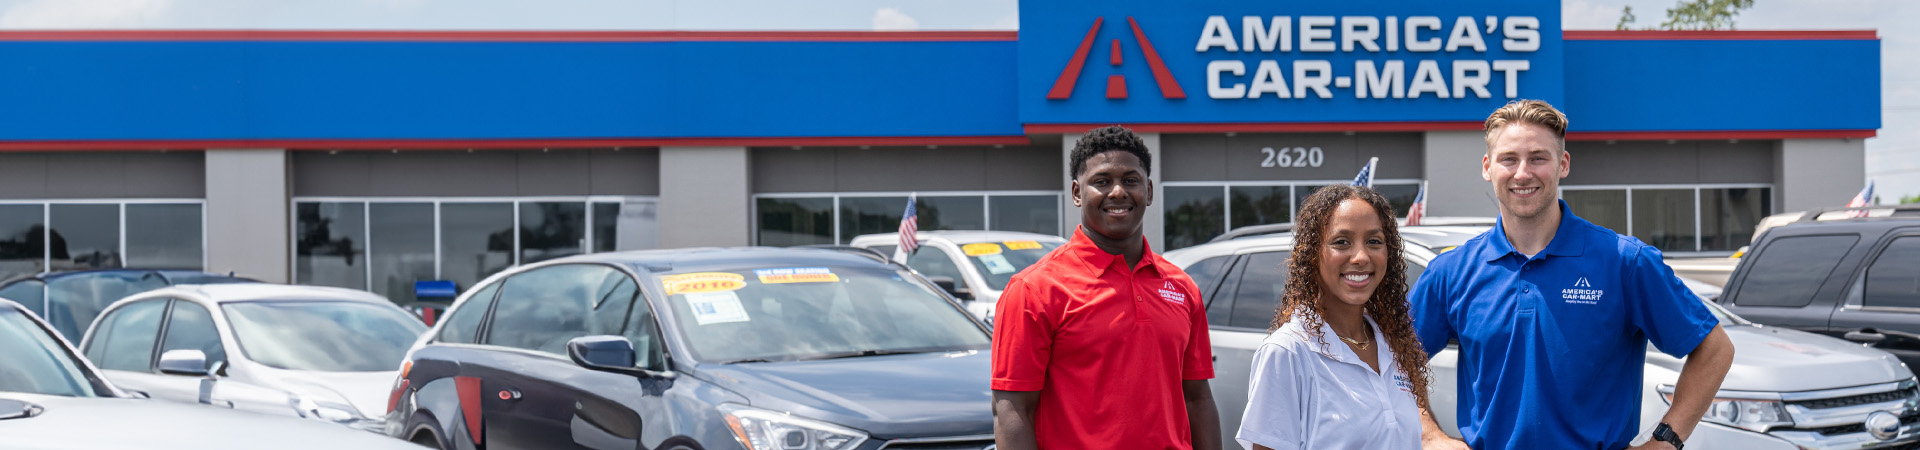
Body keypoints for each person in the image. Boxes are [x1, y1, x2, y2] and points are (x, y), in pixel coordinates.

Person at [1411, 100, 1734, 450]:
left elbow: (1714, 349)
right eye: (1509, 159)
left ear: (1562, 164)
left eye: (1538, 158)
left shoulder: (1624, 262)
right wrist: (1430, 436)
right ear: (1488, 168)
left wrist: (1666, 441)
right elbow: (1394, 362)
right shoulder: (1452, 271)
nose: (1522, 173)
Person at [991, 125, 1222, 450]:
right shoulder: (1034, 289)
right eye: (1102, 181)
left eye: (1131, 180)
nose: (1117, 192)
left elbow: (1198, 400)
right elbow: (1012, 411)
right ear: (1076, 192)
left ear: (1150, 190)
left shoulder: (1181, 287)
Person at [1237, 185, 1432, 450]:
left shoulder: (1393, 344)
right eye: (1342, 242)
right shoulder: (1288, 352)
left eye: (1374, 241)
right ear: (1312, 254)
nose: (1361, 257)